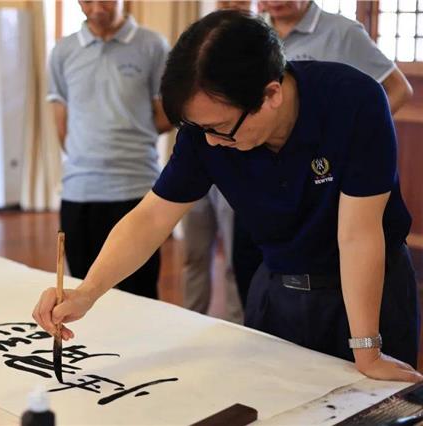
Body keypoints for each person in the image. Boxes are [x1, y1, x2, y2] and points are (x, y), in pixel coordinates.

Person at [33, 10, 422, 383]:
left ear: (271, 95)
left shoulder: (354, 101)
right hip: (278, 287)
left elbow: (357, 235)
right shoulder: (206, 131)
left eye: (220, 129)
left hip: (369, 290)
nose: (211, 143)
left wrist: (367, 349)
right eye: (199, 128)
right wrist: (87, 292)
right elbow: (152, 216)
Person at [231, 0, 414, 307]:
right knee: (250, 262)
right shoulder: (250, 33)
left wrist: (354, 140)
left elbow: (398, 89)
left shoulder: (342, 32)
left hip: (320, 180)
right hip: (263, 178)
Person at [47, 0, 172, 299]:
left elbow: (166, 114)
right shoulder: (63, 50)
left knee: (138, 292)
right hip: (79, 189)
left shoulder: (153, 45)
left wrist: (126, 136)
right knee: (79, 289)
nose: (96, 6)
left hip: (135, 187)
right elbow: (61, 120)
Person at [179, 0, 253, 322]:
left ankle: (238, 327)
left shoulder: (261, 43)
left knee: (237, 258)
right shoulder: (198, 41)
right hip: (199, 164)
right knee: (194, 254)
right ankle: (189, 320)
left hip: (242, 167)